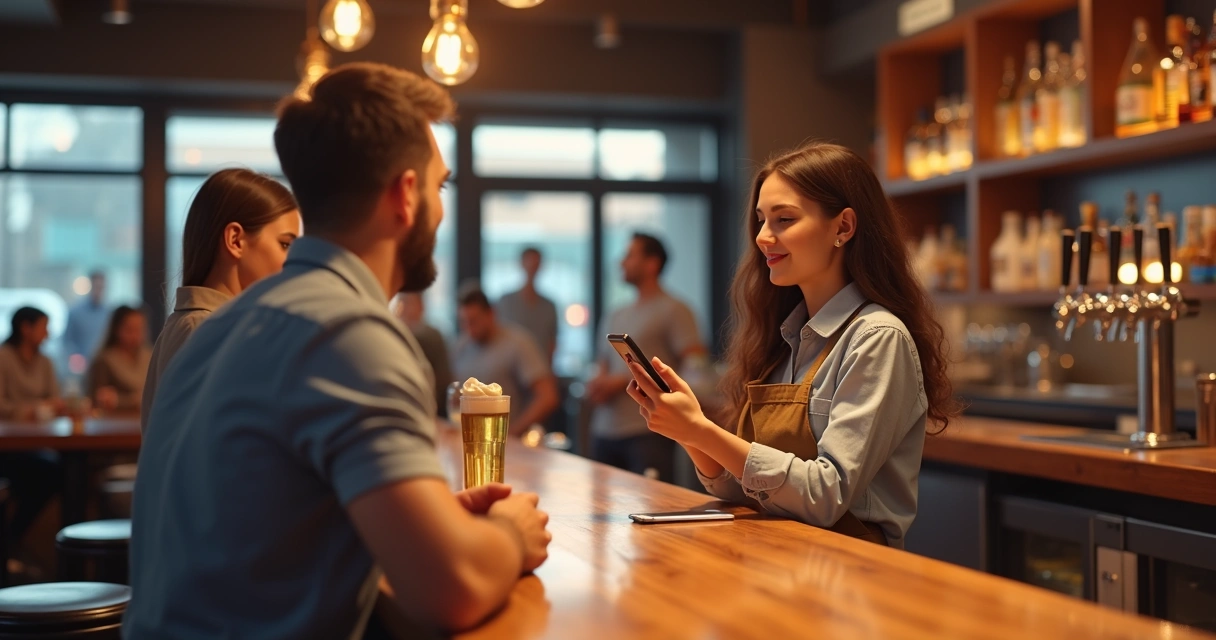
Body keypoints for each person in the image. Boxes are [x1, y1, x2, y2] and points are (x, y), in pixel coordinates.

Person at [126, 62, 550, 638]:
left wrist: (426, 517)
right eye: (440, 185)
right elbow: (451, 589)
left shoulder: (223, 325)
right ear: (406, 195)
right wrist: (509, 535)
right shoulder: (349, 331)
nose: (441, 207)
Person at [619, 143, 959, 549]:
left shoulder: (877, 338)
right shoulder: (785, 339)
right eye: (762, 220)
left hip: (856, 576)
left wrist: (703, 431)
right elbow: (748, 489)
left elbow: (825, 495)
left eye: (784, 219)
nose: (763, 237)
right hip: (784, 562)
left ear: (843, 227)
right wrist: (689, 432)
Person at [140, 168, 301, 433]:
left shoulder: (203, 325)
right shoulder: (205, 330)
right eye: (285, 245)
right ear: (235, 240)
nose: (293, 260)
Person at [585, 233, 705, 483]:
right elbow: (603, 365)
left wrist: (624, 382)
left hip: (647, 430)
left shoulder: (675, 310)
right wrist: (599, 384)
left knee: (653, 508)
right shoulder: (616, 314)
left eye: (629, 256)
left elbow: (696, 365)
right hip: (604, 430)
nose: (621, 263)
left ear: (652, 263)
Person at [0, 307, 64, 563]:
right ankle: (11, 543)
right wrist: (32, 409)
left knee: (56, 470)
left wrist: (43, 409)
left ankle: (11, 542)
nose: (47, 334)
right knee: (48, 471)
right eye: (43, 327)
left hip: (38, 442)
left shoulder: (45, 361)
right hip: (8, 446)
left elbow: (56, 400)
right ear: (25, 328)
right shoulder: (4, 357)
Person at [452, 288, 559, 435]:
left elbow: (547, 397)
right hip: (472, 440)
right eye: (464, 322)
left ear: (491, 314)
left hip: (507, 442)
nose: (469, 329)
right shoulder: (461, 347)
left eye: (474, 321)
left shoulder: (518, 343)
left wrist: (513, 432)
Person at [392, 292, 452, 415]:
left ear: (421, 306)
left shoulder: (428, 336)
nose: (402, 308)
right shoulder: (398, 334)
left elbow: (441, 382)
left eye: (408, 303)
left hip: (428, 410)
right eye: (400, 302)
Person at [496, 247, 558, 363]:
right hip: (510, 368)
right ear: (521, 264)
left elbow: (552, 343)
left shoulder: (549, 306)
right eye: (529, 262)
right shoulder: (506, 302)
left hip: (540, 368)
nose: (532, 267)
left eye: (536, 263)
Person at [86, 306, 151, 414]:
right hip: (114, 423)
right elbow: (100, 399)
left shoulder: (150, 357)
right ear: (116, 329)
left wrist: (120, 399)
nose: (135, 336)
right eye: (130, 330)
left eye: (139, 329)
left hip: (146, 420)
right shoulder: (104, 361)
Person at [63, 270, 110, 371]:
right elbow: (67, 341)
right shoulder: (75, 312)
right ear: (91, 285)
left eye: (101, 287)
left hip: (104, 366)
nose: (99, 290)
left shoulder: (109, 313)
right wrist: (75, 358)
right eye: (97, 286)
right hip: (83, 368)